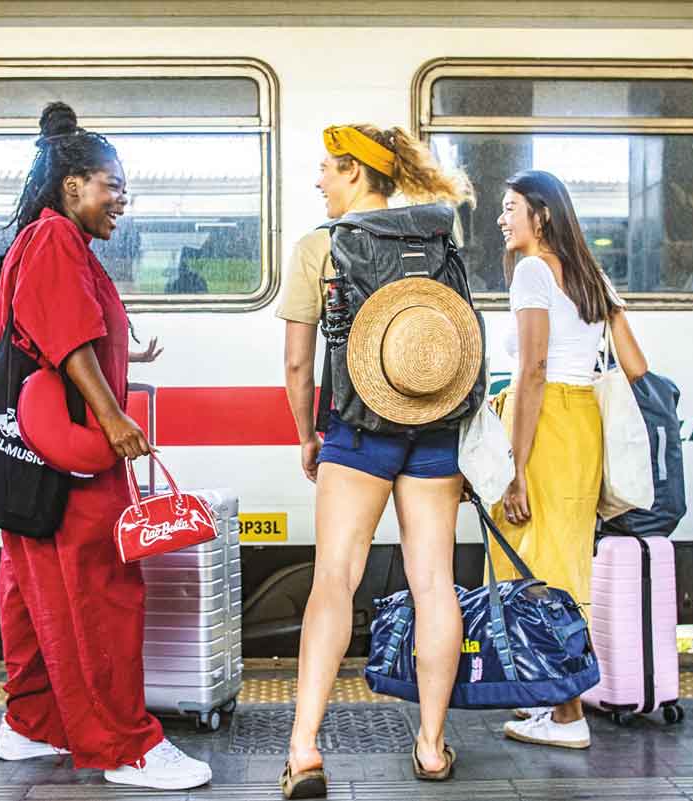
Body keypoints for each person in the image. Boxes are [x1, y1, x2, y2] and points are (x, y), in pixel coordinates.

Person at [0, 101, 208, 789]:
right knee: (98, 594)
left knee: (31, 594)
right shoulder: (55, 241)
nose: (122, 199)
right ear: (73, 184)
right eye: (112, 184)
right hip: (73, 454)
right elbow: (70, 344)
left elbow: (48, 342)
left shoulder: (39, 239)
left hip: (35, 456)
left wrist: (123, 361)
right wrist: (115, 417)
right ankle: (123, 747)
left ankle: (30, 722)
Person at [276, 124, 474, 798]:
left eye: (327, 169)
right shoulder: (443, 234)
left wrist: (308, 431)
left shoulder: (320, 247)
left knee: (335, 576)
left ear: (357, 173)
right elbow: (461, 331)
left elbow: (300, 361)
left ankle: (304, 749)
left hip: (357, 428)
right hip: (436, 423)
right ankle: (430, 745)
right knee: (434, 581)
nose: (319, 181)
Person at [489, 169, 647, 749]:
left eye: (510, 208)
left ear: (542, 214)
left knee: (541, 568)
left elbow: (530, 370)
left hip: (546, 423)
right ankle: (557, 702)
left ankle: (566, 713)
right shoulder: (591, 275)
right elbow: (636, 364)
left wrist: (516, 471)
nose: (501, 219)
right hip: (582, 424)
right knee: (564, 562)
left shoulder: (533, 271)